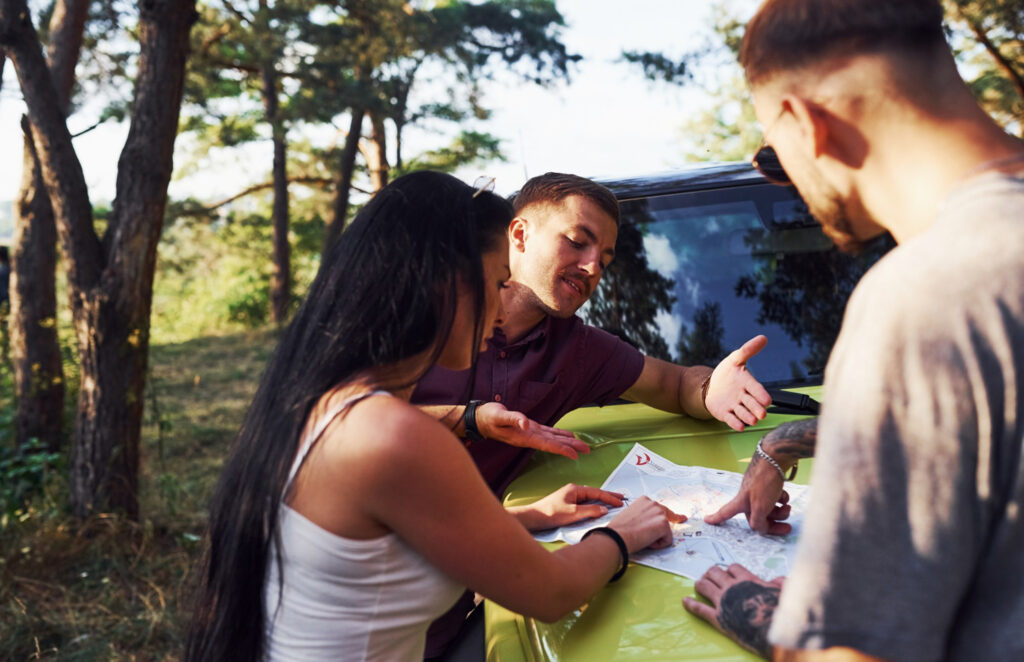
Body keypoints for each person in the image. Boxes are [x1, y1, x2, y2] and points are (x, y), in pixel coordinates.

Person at [184, 171, 677, 662]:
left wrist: (525, 517)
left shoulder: (324, 403)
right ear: (443, 285)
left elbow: (375, 543)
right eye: (495, 283)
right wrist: (623, 533)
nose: (501, 315)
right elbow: (549, 593)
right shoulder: (395, 435)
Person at [684, 1, 1024, 659]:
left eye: (770, 154)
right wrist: (781, 442)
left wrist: (762, 616)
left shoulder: (927, 295)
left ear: (802, 121)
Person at [413, 172, 774, 658]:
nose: (591, 268)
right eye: (578, 242)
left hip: (450, 609)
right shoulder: (419, 319)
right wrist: (469, 417)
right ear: (517, 235)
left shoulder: (578, 349)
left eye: (604, 260)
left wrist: (711, 388)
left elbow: (674, 382)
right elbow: (335, 423)